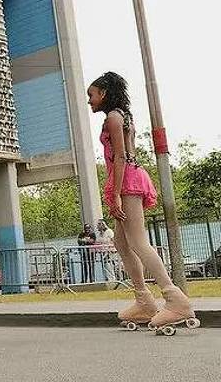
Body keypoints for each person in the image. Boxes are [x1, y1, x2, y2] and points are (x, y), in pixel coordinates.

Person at [88, 72, 198, 331]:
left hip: (126, 181)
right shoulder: (122, 115)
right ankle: (144, 301)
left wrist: (115, 193)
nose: (89, 101)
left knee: (137, 241)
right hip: (127, 179)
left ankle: (175, 299)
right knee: (121, 242)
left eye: (91, 95)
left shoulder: (113, 118)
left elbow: (121, 158)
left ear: (103, 93)